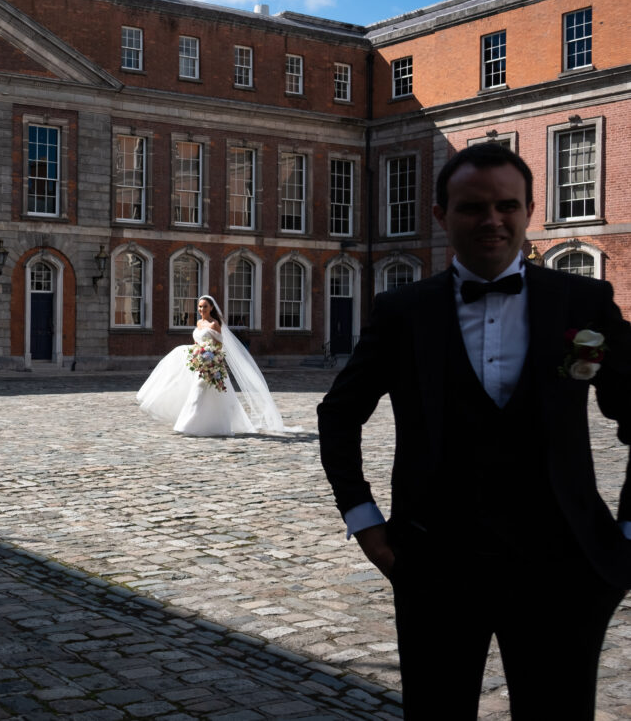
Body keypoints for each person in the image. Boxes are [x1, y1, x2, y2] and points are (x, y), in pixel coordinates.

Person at [317, 143, 631, 719]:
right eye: (472, 208)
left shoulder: (582, 302)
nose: (492, 220)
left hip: (561, 562)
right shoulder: (402, 311)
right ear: (441, 215)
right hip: (436, 559)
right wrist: (363, 519)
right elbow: (339, 413)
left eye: (507, 205)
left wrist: (629, 530)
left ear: (529, 209)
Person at [137, 295, 295, 435]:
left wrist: (210, 359)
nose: (201, 309)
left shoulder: (214, 325)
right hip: (199, 362)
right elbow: (196, 343)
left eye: (205, 306)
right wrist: (196, 356)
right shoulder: (199, 323)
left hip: (211, 363)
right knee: (206, 395)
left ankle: (187, 425)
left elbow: (219, 346)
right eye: (199, 306)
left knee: (198, 392)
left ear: (211, 307)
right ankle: (204, 423)